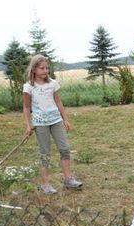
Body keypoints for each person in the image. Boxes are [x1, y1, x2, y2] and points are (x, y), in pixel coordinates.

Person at [23, 54, 82, 194]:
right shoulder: (29, 87)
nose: (45, 71)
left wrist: (65, 119)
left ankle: (68, 179)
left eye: (47, 68)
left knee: (64, 148)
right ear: (34, 70)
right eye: (42, 68)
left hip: (56, 121)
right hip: (40, 124)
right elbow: (26, 107)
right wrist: (27, 124)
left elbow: (58, 102)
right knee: (45, 153)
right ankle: (45, 184)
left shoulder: (52, 84)